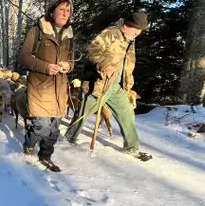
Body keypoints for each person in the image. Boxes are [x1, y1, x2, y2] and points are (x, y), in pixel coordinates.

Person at [64, 11, 152, 161]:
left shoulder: (130, 39)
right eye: (135, 31)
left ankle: (132, 148)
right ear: (126, 26)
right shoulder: (111, 33)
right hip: (98, 83)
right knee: (82, 116)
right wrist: (104, 65)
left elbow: (127, 63)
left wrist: (128, 84)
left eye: (139, 32)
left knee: (127, 112)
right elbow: (92, 49)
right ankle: (67, 140)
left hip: (116, 85)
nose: (137, 35)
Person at [19, 0, 75, 172]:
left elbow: (72, 60)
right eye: (61, 9)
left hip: (59, 88)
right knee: (42, 126)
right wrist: (45, 67)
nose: (65, 13)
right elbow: (24, 57)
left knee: (54, 128)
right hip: (40, 86)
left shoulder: (69, 34)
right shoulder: (37, 30)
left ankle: (45, 156)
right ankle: (29, 144)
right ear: (52, 11)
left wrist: (68, 65)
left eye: (68, 10)